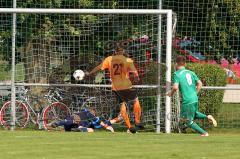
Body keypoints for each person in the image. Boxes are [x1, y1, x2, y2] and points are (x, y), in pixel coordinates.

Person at [85, 46, 144, 134]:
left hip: (116, 87)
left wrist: (89, 73)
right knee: (135, 100)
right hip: (126, 85)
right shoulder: (127, 60)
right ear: (123, 51)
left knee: (122, 105)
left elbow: (99, 67)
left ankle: (130, 127)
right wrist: (137, 78)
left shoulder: (109, 59)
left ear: (115, 52)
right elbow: (135, 73)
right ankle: (137, 121)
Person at [167, 56, 217, 136]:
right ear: (185, 64)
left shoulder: (176, 74)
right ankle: (208, 117)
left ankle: (204, 133)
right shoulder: (191, 72)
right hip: (194, 98)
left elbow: (175, 87)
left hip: (187, 100)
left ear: (176, 64)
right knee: (194, 114)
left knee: (187, 121)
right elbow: (200, 84)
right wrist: (195, 93)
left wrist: (170, 93)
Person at [47, 108, 114, 133]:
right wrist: (106, 126)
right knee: (91, 130)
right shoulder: (90, 114)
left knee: (68, 122)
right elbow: (99, 121)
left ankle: (58, 123)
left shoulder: (83, 111)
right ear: (93, 113)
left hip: (69, 121)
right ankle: (78, 129)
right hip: (76, 123)